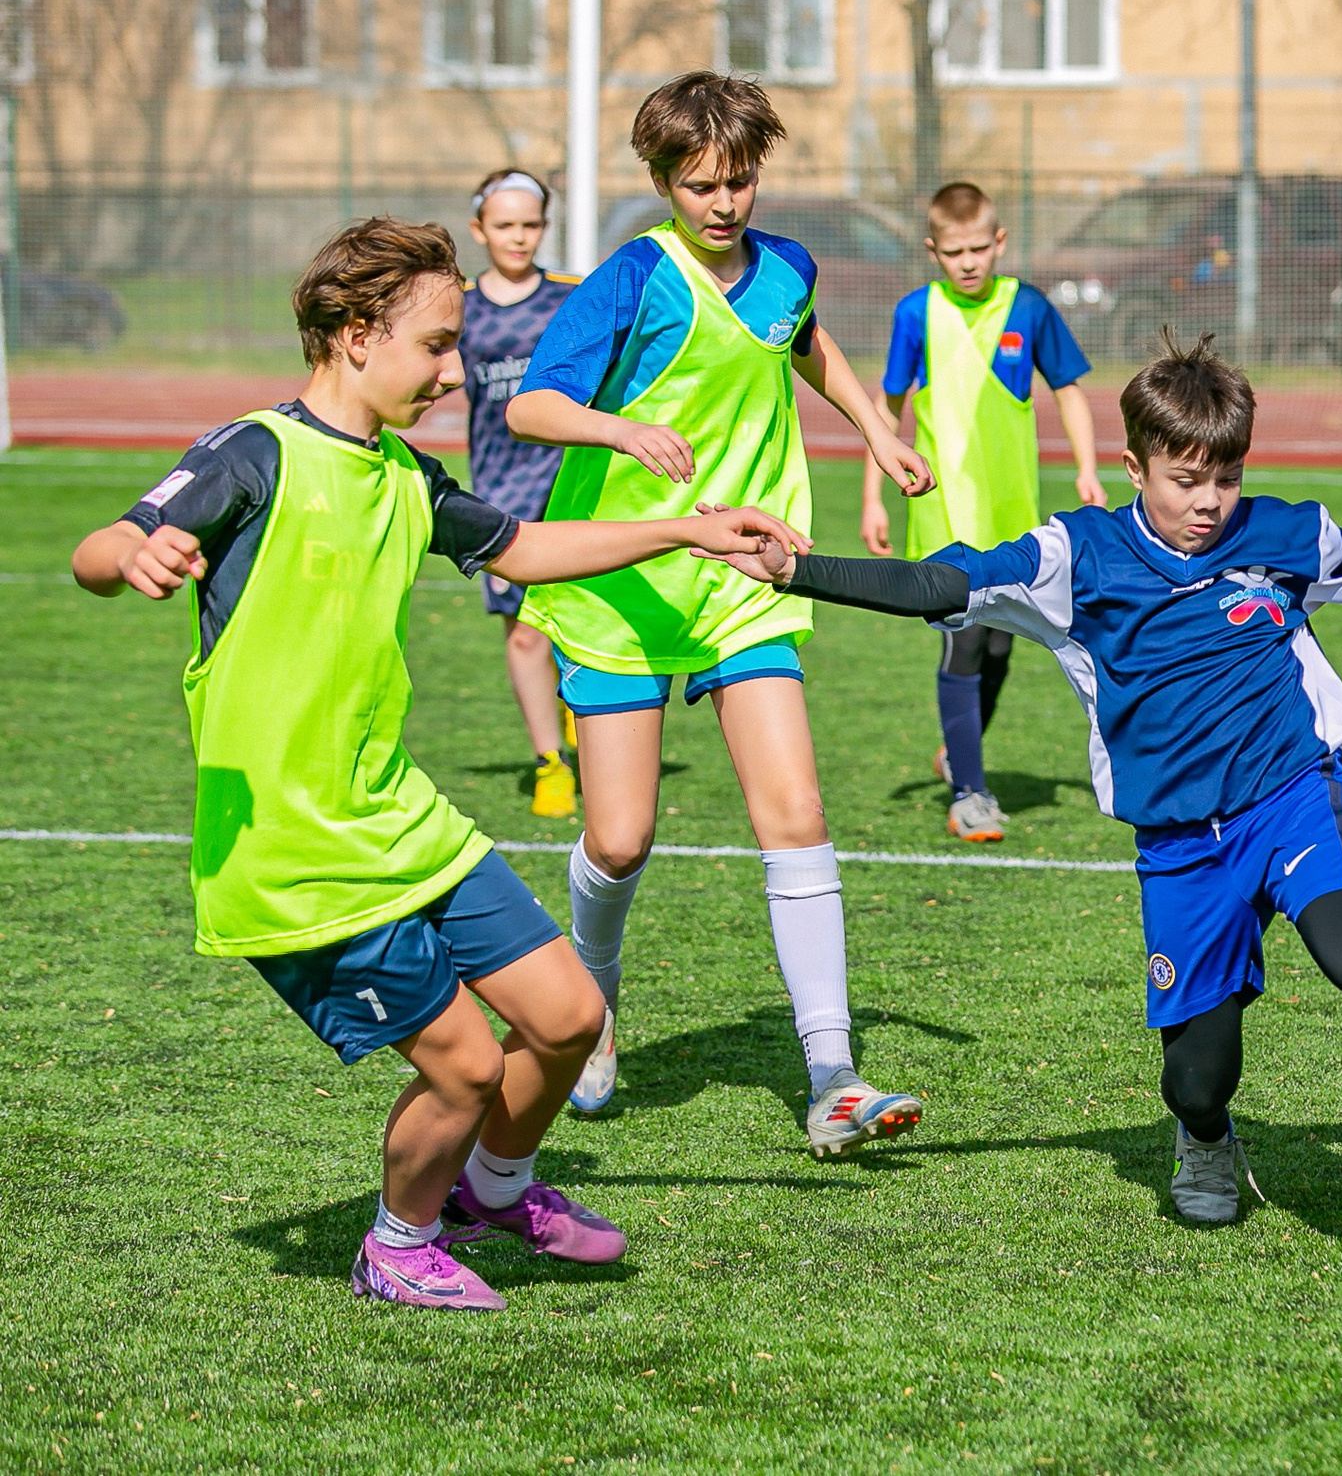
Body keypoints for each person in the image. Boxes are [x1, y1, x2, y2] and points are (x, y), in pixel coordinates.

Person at [699, 335, 1342, 1224]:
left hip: (1289, 792)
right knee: (1195, 1080)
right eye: (1186, 480)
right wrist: (796, 571)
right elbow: (936, 587)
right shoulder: (1078, 559)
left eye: (1227, 478)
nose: (1209, 501)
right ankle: (1206, 1144)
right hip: (1180, 843)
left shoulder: (1283, 534)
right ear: (1136, 469)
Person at [68, 218, 809, 1310]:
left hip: (396, 813)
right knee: (464, 1063)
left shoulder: (405, 474)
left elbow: (522, 545)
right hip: (292, 843)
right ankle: (397, 1243)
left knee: (565, 1016)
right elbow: (100, 548)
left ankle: (494, 1187)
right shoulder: (254, 453)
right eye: (437, 345)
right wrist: (134, 552)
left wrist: (686, 529)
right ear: (356, 336)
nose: (457, 370)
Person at [504, 72, 935, 1151]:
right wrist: (619, 433)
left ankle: (832, 1073)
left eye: (738, 179)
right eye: (699, 184)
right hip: (623, 584)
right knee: (621, 835)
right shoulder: (629, 280)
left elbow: (805, 343)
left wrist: (878, 434)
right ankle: (590, 1009)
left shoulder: (787, 265)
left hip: (748, 577)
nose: (723, 201)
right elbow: (530, 401)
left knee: (794, 813)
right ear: (661, 183)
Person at [866, 181, 1109, 843]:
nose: (968, 262)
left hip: (1012, 516)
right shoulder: (916, 314)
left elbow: (1070, 391)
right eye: (954, 252)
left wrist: (1088, 468)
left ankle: (957, 750)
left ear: (999, 242)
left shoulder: (1027, 308)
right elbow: (886, 412)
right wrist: (872, 498)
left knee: (1002, 645)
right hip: (941, 515)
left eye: (979, 248)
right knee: (966, 638)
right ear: (932, 251)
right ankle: (969, 792)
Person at [459, 169, 583, 820]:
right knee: (525, 635)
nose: (519, 237)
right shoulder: (459, 307)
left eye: (531, 224)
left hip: (573, 488)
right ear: (480, 229)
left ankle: (581, 718)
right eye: (505, 225)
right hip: (500, 493)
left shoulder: (571, 295)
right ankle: (550, 763)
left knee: (578, 627)